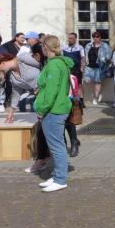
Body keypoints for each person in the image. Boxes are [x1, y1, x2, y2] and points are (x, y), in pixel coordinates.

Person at [34, 35, 74, 193]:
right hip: (57, 108)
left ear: (45, 47)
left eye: (42, 46)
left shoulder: (54, 65)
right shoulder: (59, 63)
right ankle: (58, 175)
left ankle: (60, 179)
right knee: (56, 145)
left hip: (53, 110)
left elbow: (51, 92)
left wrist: (42, 110)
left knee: (57, 146)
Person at [84, 31, 111, 105]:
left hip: (99, 67)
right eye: (94, 36)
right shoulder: (88, 45)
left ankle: (95, 97)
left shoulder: (105, 45)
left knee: (97, 82)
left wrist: (104, 59)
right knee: (87, 80)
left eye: (97, 36)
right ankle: (97, 92)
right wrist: (84, 63)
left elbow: (109, 55)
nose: (95, 38)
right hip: (89, 66)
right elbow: (85, 55)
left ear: (100, 37)